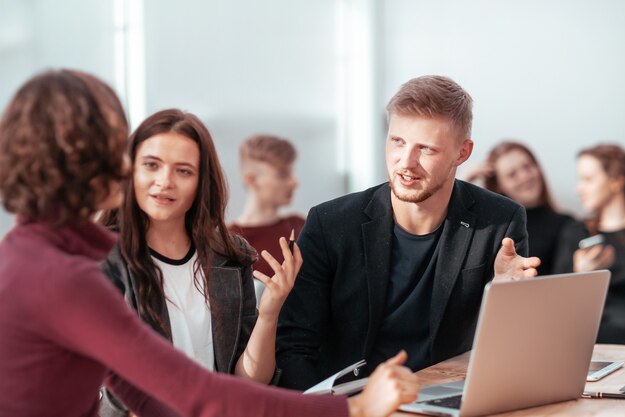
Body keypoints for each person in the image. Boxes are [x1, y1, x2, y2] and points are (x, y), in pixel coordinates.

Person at [0, 69, 420, 417]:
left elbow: (143, 393)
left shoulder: (30, 256)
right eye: (118, 147)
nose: (125, 164)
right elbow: (196, 392)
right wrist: (357, 409)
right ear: (82, 160)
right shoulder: (62, 277)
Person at [276, 75, 541, 390]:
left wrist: (504, 297)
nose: (406, 162)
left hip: (448, 400)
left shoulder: (500, 221)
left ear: (462, 153)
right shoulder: (330, 223)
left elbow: (512, 351)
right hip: (353, 405)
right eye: (397, 141)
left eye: (426, 148)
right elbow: (293, 346)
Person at [97, 111, 296, 415]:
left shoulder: (231, 256)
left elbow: (248, 379)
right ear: (130, 172)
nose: (165, 182)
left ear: (201, 182)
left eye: (183, 171)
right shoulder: (101, 258)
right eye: (152, 165)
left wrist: (270, 313)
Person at [463, 141, 574, 275]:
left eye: (527, 167)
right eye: (512, 174)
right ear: (499, 185)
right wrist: (464, 180)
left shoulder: (567, 224)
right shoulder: (492, 228)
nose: (524, 176)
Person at [553, 144, 625, 343]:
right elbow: (557, 304)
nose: (579, 188)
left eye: (588, 180)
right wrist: (580, 274)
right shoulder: (575, 232)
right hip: (592, 343)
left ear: (616, 181)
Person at [229, 134, 305, 301]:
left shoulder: (302, 227)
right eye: (283, 175)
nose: (294, 182)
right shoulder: (226, 241)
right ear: (252, 179)